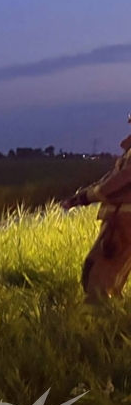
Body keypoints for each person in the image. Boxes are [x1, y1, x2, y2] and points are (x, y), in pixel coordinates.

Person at [62, 115, 131, 302]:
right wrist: (81, 198)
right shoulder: (128, 151)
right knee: (96, 270)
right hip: (117, 220)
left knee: (101, 278)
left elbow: (121, 180)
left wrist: (89, 196)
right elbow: (111, 178)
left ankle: (99, 320)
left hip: (124, 223)